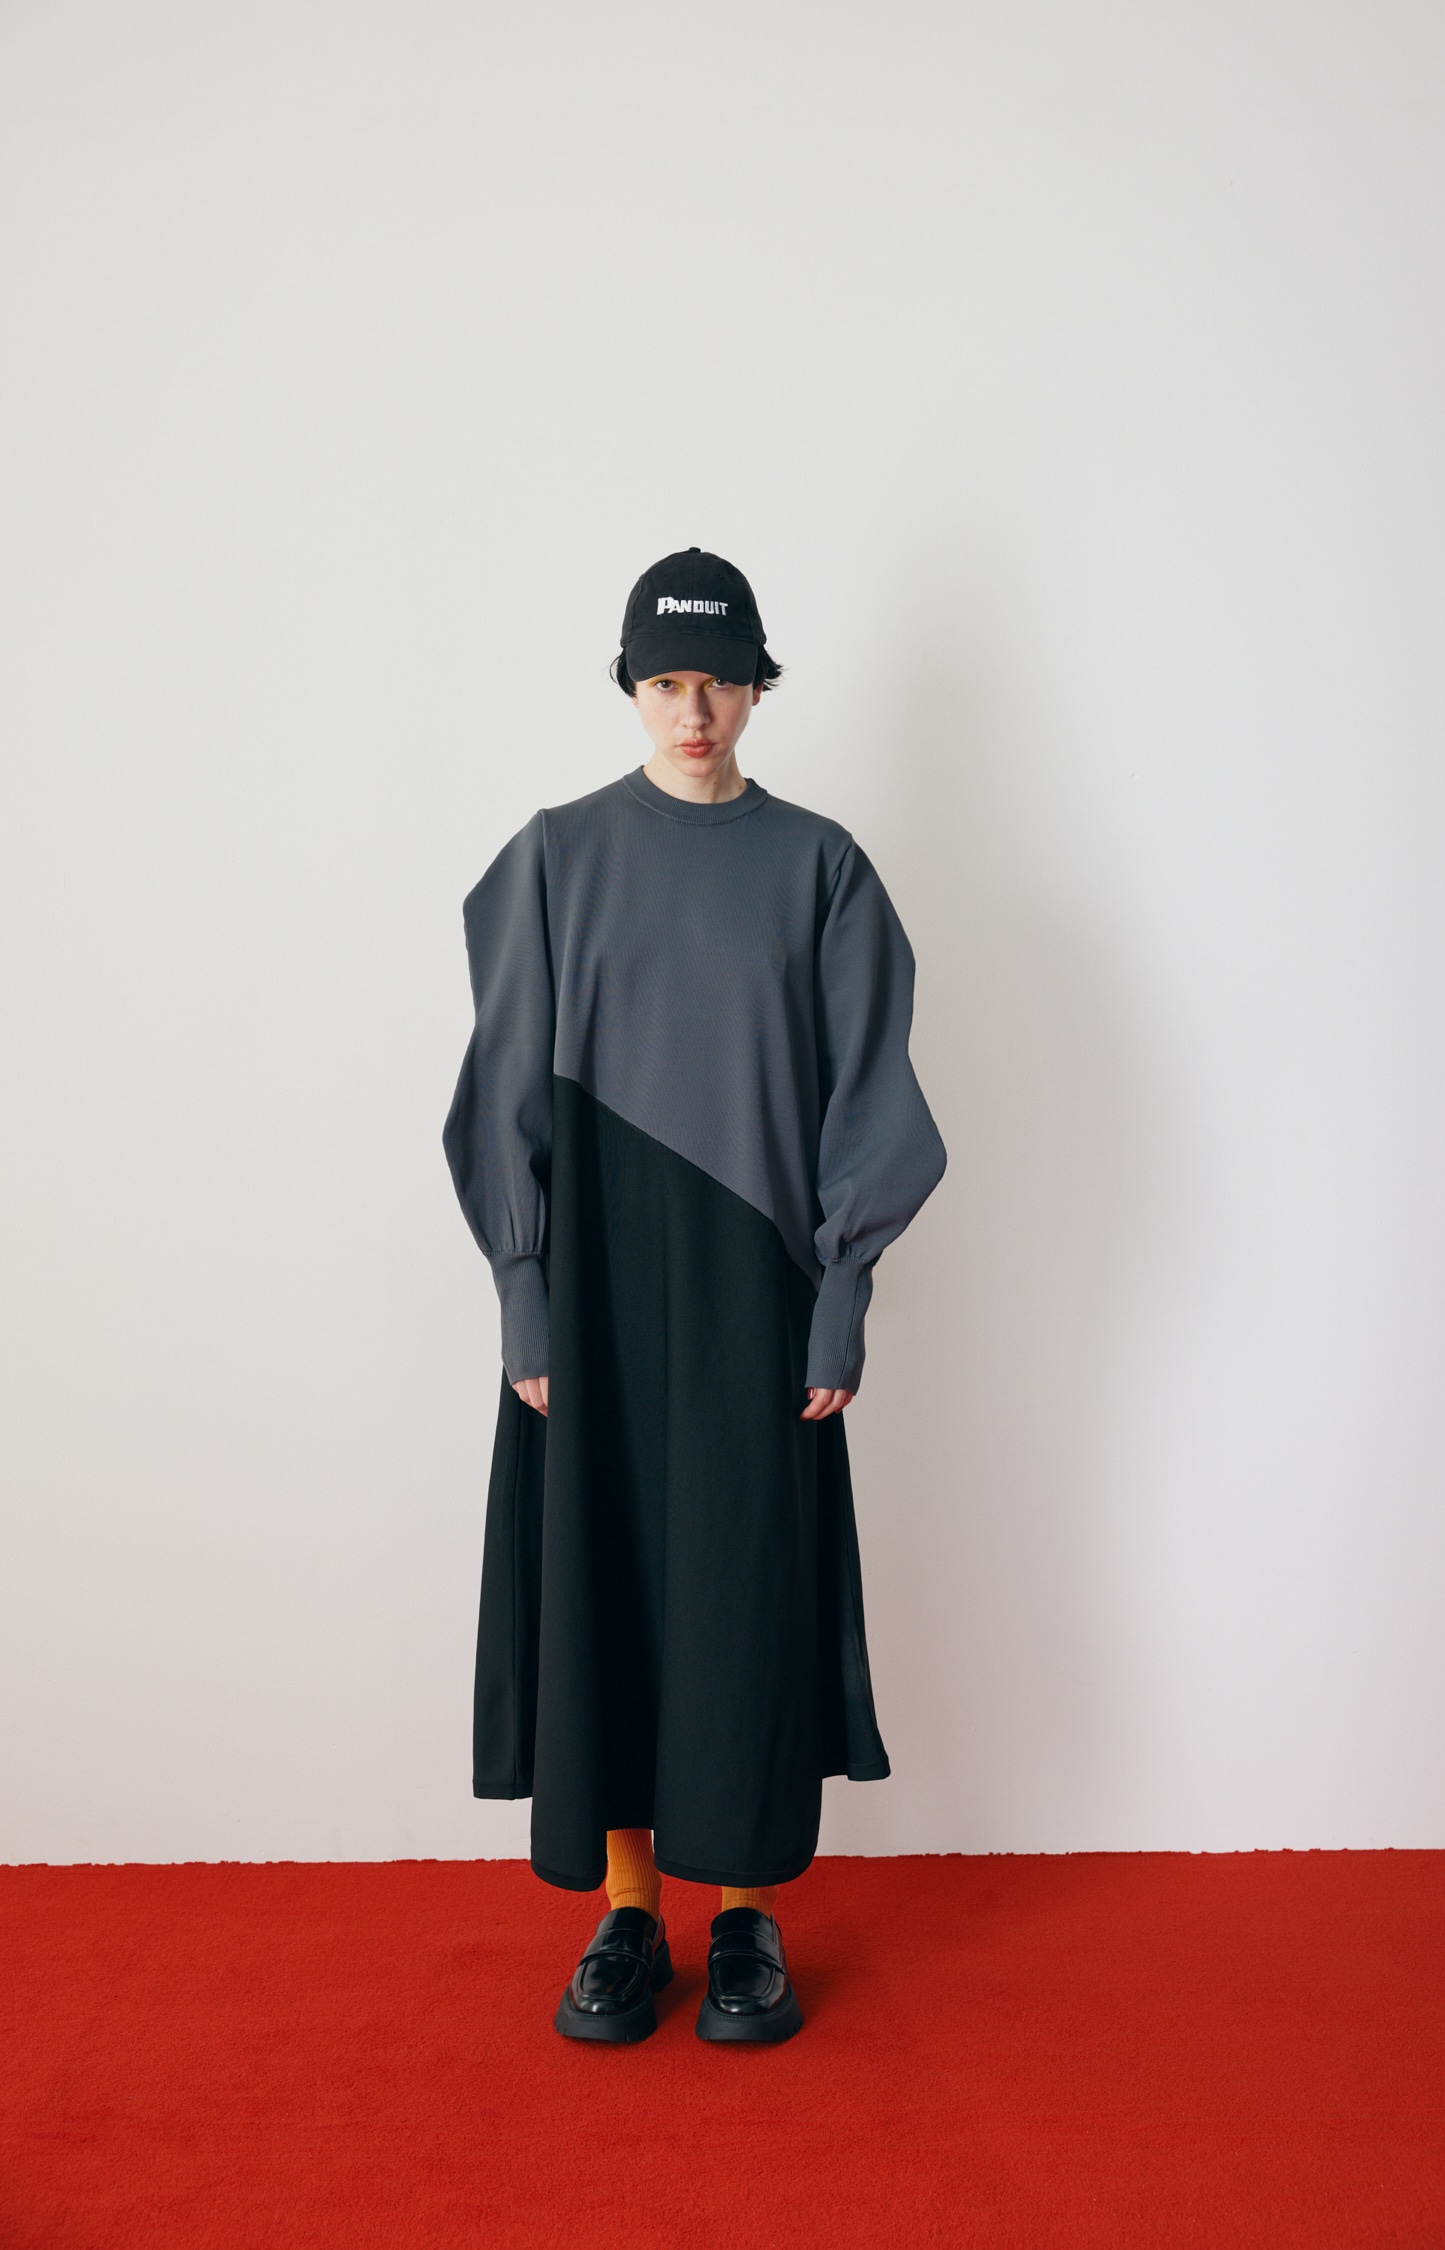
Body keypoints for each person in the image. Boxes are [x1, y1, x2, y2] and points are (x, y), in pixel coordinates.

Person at [443, 547, 946, 2045]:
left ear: (758, 688)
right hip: (592, 1287)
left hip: (754, 1286)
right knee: (603, 1584)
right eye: (666, 680)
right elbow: (500, 1087)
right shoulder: (555, 858)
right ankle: (624, 1913)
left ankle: (742, 1918)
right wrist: (524, 1290)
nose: (693, 709)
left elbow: (872, 1096)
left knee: (741, 1594)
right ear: (631, 686)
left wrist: (841, 1292)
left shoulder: (822, 868)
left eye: (719, 680)